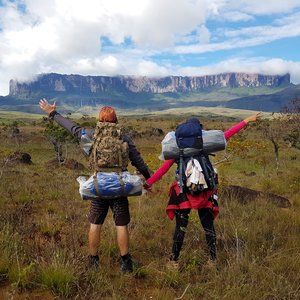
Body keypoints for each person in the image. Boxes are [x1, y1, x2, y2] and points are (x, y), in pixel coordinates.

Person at [39, 99, 152, 273]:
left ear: (99, 119)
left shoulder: (90, 135)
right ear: (115, 119)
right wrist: (149, 180)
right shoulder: (124, 137)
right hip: (120, 187)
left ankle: (93, 260)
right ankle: (125, 263)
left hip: (98, 187)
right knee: (121, 224)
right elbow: (140, 163)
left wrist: (53, 113)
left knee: (95, 224)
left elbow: (71, 127)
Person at [143, 112, 261, 265]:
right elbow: (227, 134)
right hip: (204, 191)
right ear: (200, 131)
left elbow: (163, 169)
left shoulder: (177, 148)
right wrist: (246, 121)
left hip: (182, 191)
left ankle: (173, 261)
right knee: (208, 226)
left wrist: (148, 183)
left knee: (180, 227)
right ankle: (212, 260)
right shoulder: (203, 144)